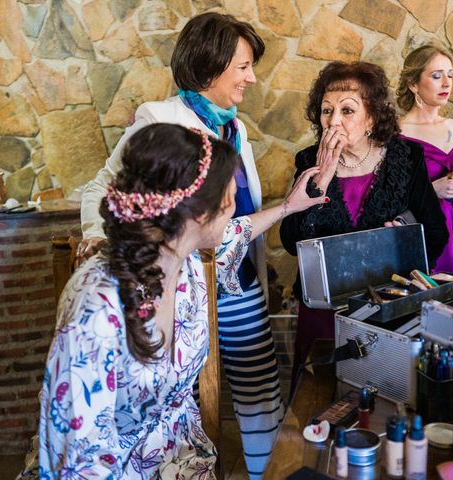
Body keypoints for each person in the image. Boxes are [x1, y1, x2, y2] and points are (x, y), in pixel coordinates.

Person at [18, 124, 325, 479]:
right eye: (228, 196)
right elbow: (77, 460)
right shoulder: (96, 308)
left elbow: (236, 232)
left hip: (184, 461)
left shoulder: (188, 261)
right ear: (196, 214)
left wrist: (289, 206)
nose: (233, 204)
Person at [78, 13, 286, 477]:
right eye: (243, 66)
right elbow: (102, 190)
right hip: (185, 283)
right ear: (209, 66)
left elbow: (241, 207)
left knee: (259, 388)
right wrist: (98, 241)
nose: (252, 77)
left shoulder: (237, 128)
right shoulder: (160, 119)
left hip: (240, 281)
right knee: (183, 393)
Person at [279, 61, 448, 381]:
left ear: (371, 117)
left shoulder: (407, 157)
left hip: (389, 307)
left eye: (347, 110)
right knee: (318, 399)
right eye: (326, 110)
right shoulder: (307, 160)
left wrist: (404, 235)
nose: (334, 121)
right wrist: (321, 180)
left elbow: (436, 231)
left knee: (388, 394)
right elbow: (290, 242)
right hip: (323, 311)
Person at [396, 44, 453, 274]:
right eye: (437, 76)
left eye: (450, 75)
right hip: (421, 224)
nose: (447, 83)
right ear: (413, 84)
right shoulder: (398, 133)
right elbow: (389, 197)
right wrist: (432, 190)